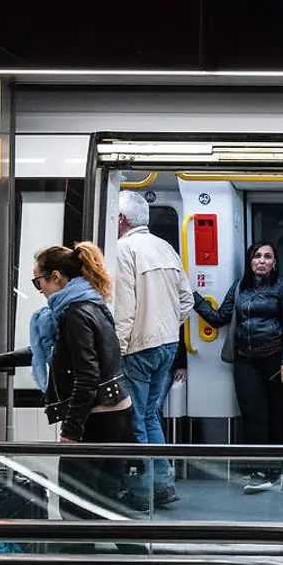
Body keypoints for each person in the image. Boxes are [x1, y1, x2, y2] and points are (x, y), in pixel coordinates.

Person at [0, 245, 172, 565]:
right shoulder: (89, 304)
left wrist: (72, 430)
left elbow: (87, 376)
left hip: (97, 421)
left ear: (56, 278)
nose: (39, 288)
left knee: (75, 504)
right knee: (100, 502)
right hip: (113, 416)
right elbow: (56, 355)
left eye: (38, 281)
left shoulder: (74, 313)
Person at [193, 241, 283, 494]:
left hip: (277, 359)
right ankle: (259, 470)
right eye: (257, 256)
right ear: (250, 261)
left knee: (276, 415)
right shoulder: (239, 286)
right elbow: (219, 317)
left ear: (274, 262)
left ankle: (275, 470)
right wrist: (193, 298)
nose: (262, 261)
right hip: (246, 359)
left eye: (267, 257)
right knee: (253, 417)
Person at [111, 192, 193, 510]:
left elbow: (124, 308)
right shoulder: (165, 247)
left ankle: (142, 492)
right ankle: (162, 483)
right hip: (167, 345)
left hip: (137, 347)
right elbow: (186, 300)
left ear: (121, 219)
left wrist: (116, 351)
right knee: (149, 416)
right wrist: (168, 326)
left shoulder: (123, 249)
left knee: (136, 420)